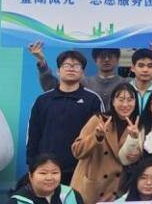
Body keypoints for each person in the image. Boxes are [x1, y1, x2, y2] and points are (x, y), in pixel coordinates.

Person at [25, 50, 105, 179]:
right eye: (66, 65)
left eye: (76, 66)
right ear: (58, 71)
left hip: (81, 169)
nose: (71, 69)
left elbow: (99, 136)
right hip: (48, 169)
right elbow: (33, 134)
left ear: (82, 72)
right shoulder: (43, 100)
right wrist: (32, 163)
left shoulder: (93, 100)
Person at [70, 82, 144, 204]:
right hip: (91, 188)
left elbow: (134, 159)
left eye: (130, 100)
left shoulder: (138, 125)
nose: (125, 104)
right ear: (113, 102)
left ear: (135, 102)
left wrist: (134, 140)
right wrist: (97, 137)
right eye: (121, 99)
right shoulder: (99, 120)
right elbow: (77, 151)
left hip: (117, 192)